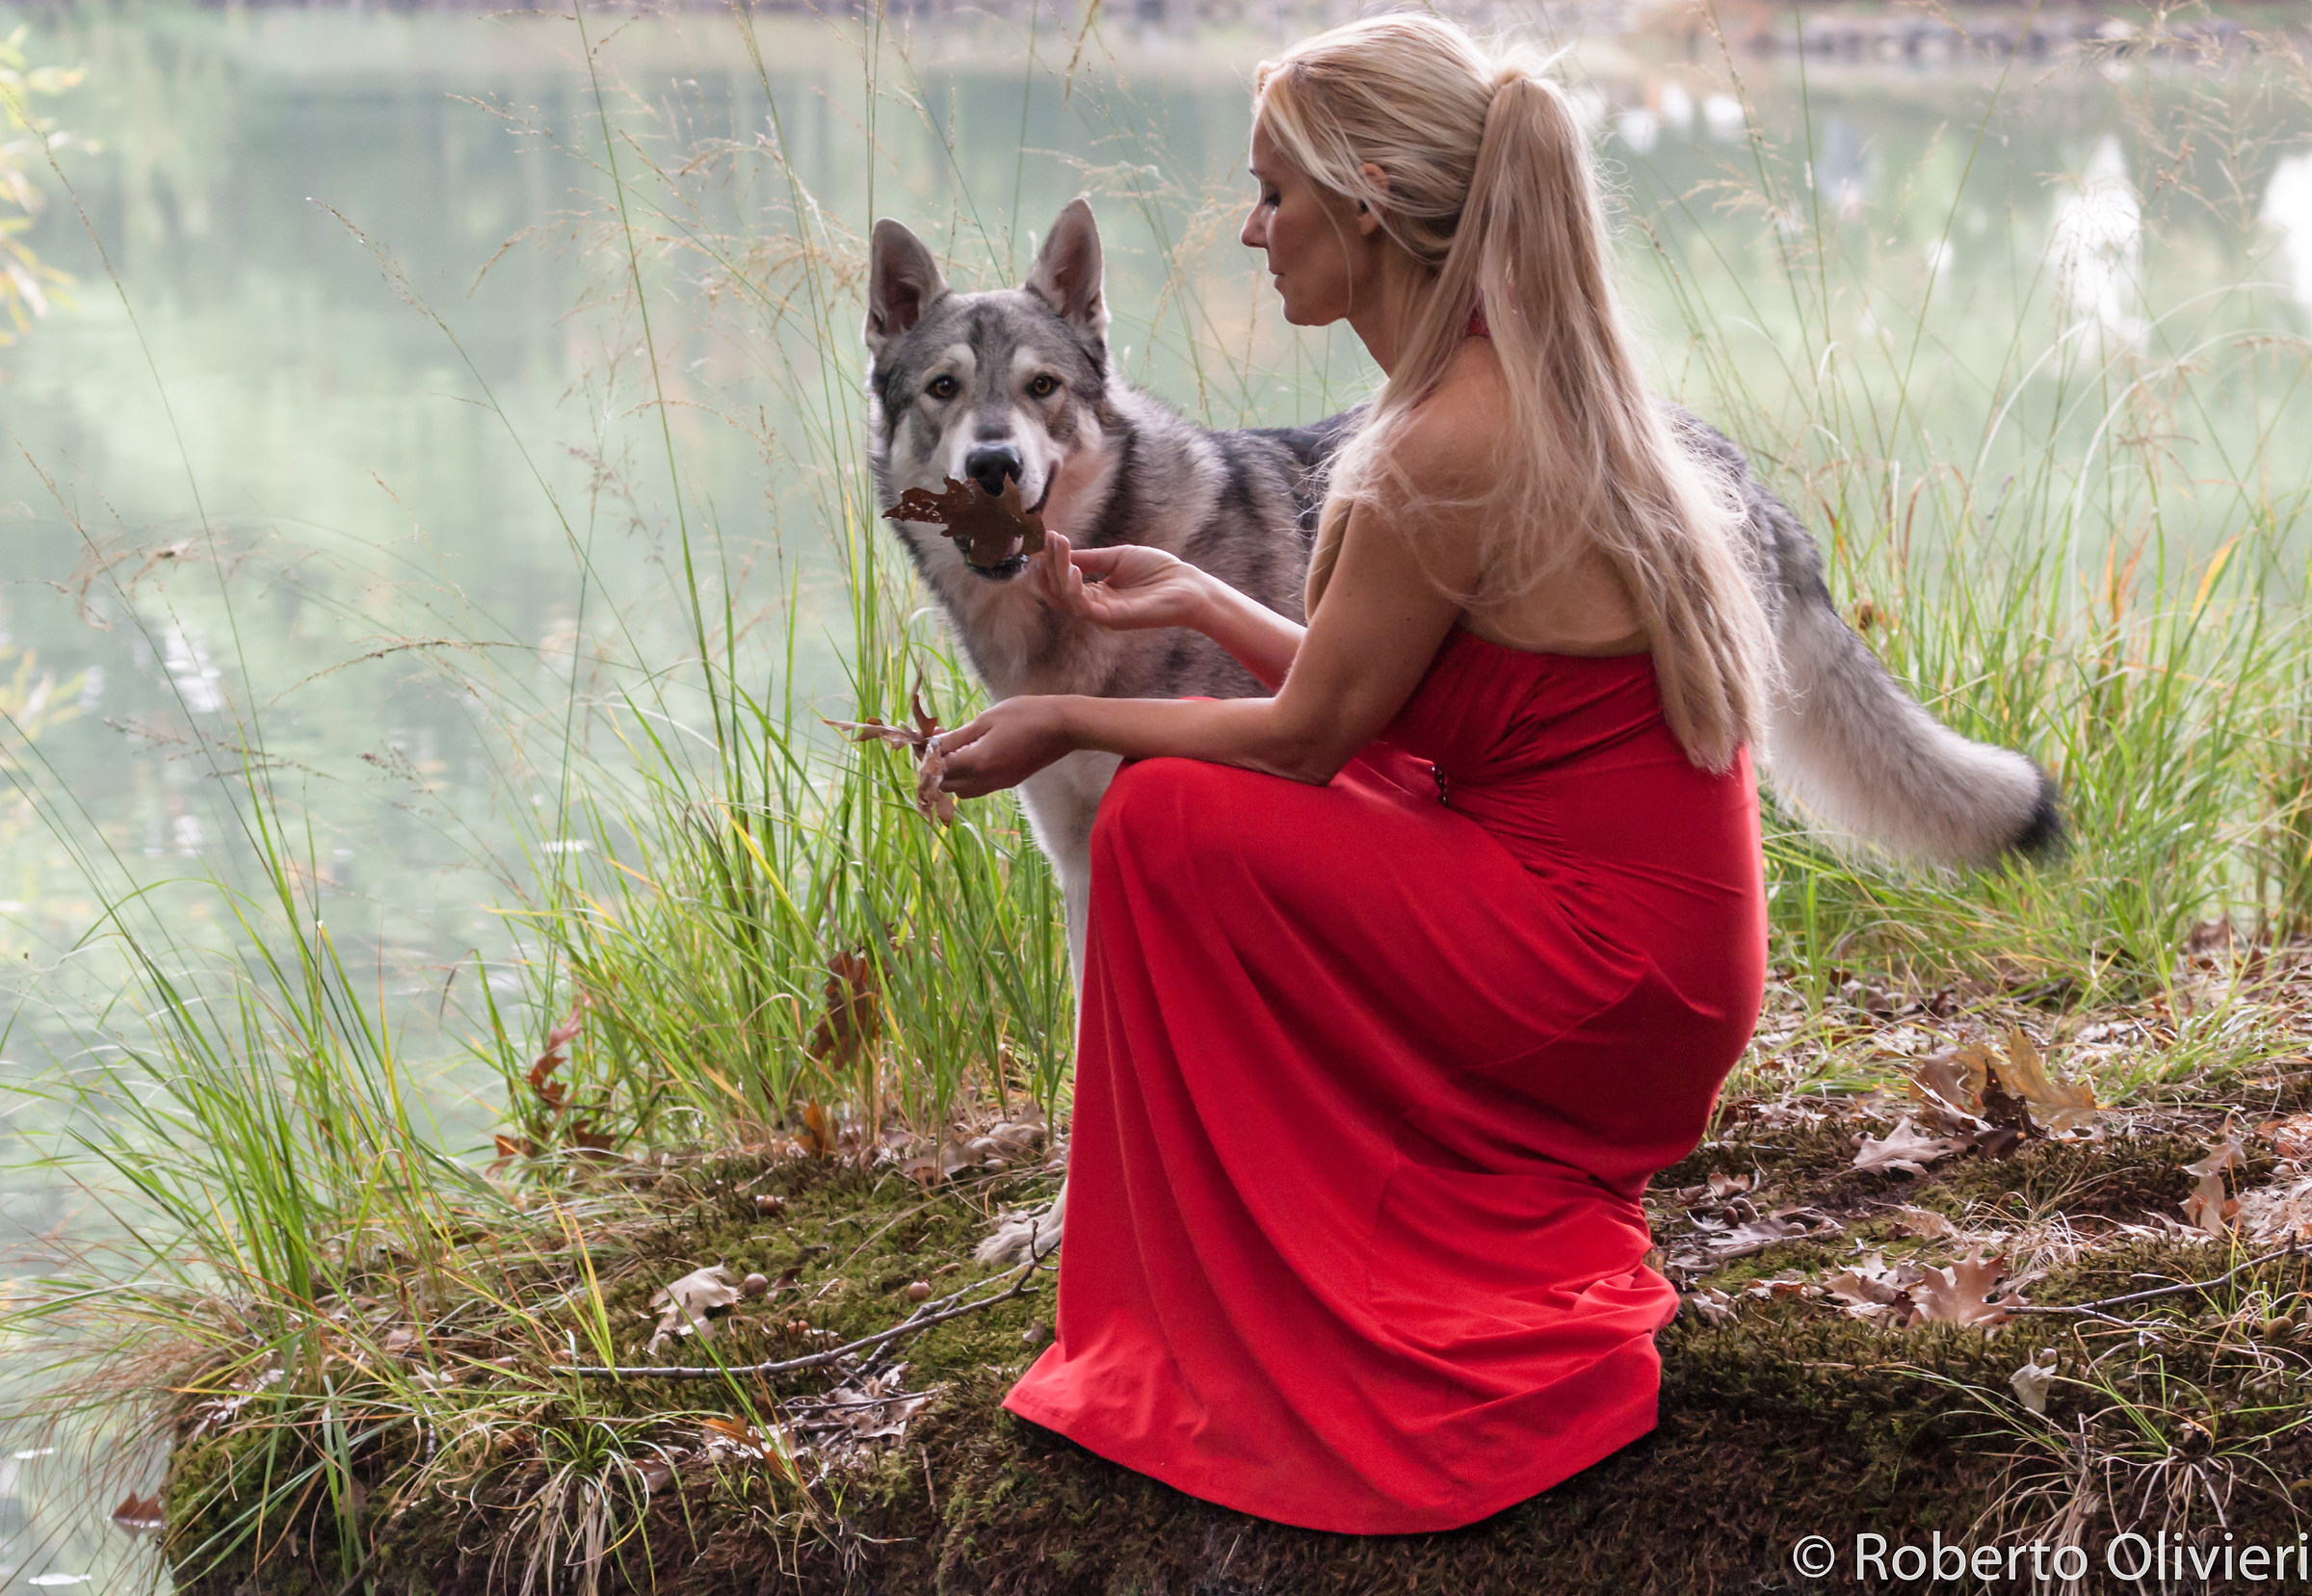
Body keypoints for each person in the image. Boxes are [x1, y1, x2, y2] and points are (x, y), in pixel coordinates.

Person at [932, 12, 1772, 1535]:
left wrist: (1070, 722)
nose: (1252, 231)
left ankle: (1243, 1292)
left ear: (1368, 199)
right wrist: (1191, 597)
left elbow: (1310, 739)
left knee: (1169, 821)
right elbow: (1376, 701)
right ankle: (1289, 1227)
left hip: (1603, 978)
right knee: (1273, 805)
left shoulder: (1440, 441)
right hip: (1649, 958)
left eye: (1274, 193)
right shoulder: (1492, 381)